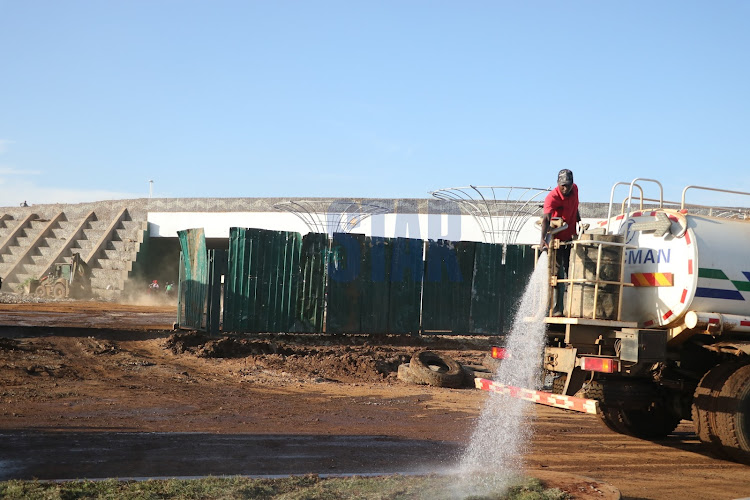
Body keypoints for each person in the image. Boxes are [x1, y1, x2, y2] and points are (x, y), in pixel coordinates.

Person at [540, 169, 581, 317]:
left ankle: (571, 308)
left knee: (571, 273)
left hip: (570, 239)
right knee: (556, 275)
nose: (566, 188)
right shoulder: (552, 197)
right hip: (556, 241)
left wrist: (579, 222)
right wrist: (543, 240)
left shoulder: (575, 190)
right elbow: (545, 219)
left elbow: (575, 207)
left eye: (568, 185)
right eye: (563, 185)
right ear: (558, 184)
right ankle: (556, 309)